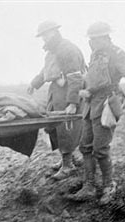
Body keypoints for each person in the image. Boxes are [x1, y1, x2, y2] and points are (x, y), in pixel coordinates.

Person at [69, 22, 125, 205]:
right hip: (90, 105)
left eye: (94, 39)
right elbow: (93, 80)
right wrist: (87, 90)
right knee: (85, 146)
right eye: (90, 39)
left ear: (104, 37)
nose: (91, 42)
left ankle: (109, 185)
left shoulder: (118, 54)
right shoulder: (94, 55)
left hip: (107, 105)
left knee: (100, 148)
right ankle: (89, 186)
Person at [28, 21, 86, 180]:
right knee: (54, 127)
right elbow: (45, 71)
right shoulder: (52, 52)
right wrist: (34, 83)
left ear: (54, 32)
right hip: (56, 93)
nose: (44, 38)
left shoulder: (67, 49)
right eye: (42, 35)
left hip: (67, 93)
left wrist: (73, 102)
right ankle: (65, 160)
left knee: (66, 128)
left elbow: (75, 77)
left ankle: (68, 166)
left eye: (46, 34)